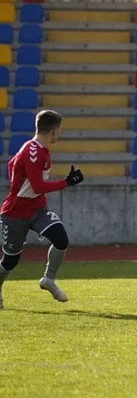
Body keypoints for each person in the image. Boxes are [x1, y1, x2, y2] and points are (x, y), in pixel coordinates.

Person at [0, 110, 84, 310]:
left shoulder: (41, 149)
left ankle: (49, 280)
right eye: (60, 130)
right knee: (10, 261)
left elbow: (12, 166)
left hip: (37, 208)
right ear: (53, 131)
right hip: (15, 212)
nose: (60, 134)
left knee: (61, 239)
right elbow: (37, 186)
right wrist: (66, 182)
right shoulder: (34, 151)